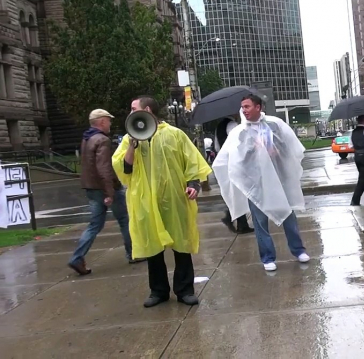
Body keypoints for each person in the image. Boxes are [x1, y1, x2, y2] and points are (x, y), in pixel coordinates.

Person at [112, 96, 212, 308]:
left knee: (182, 245)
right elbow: (124, 169)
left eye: (133, 108)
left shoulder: (174, 135)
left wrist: (193, 184)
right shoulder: (129, 139)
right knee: (152, 247)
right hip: (146, 201)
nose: (130, 113)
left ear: (147, 110)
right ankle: (158, 291)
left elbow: (191, 162)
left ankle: (185, 290)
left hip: (175, 198)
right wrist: (132, 146)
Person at [213, 95, 309, 272]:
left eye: (247, 106)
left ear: (258, 107)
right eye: (242, 107)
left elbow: (290, 148)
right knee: (260, 222)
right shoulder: (240, 132)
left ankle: (298, 250)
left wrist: (275, 151)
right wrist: (252, 149)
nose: (244, 110)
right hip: (256, 184)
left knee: (288, 215)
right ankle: (267, 257)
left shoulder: (275, 124)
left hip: (279, 181)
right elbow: (235, 159)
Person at [68, 109, 137, 276]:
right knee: (124, 219)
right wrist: (110, 193)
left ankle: (77, 257)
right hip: (105, 188)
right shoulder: (102, 140)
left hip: (91, 187)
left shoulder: (87, 138)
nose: (110, 124)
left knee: (94, 225)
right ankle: (133, 254)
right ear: (101, 122)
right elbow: (104, 168)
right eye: (108, 121)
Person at [214, 115, 254, 234]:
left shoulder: (218, 127)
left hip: (224, 162)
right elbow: (239, 143)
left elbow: (217, 147)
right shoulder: (233, 126)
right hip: (235, 162)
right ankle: (236, 220)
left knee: (234, 192)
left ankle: (237, 221)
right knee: (240, 192)